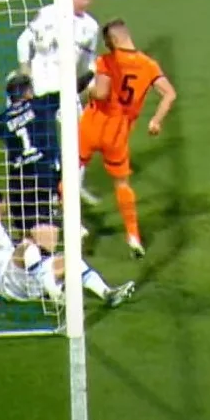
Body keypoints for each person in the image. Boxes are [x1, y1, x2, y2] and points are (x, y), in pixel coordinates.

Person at [80, 20, 176, 258]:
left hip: (92, 125)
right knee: (122, 184)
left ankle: (76, 226)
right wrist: (156, 121)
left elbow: (101, 92)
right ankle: (133, 235)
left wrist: (85, 89)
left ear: (112, 40)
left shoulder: (107, 61)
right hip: (118, 133)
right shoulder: (148, 65)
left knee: (68, 174)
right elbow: (170, 94)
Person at [0, 193, 133, 309]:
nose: (6, 204)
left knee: (72, 261)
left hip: (19, 275)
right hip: (7, 283)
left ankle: (107, 293)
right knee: (27, 246)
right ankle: (54, 291)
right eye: (3, 201)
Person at [17, 0, 102, 202]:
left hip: (67, 91)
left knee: (82, 141)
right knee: (47, 146)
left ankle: (70, 191)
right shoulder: (47, 14)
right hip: (41, 90)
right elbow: (23, 41)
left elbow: (90, 61)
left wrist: (89, 84)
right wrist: (25, 75)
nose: (80, 1)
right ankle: (51, 193)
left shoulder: (91, 27)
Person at [0, 73, 61, 241]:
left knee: (25, 233)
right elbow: (73, 89)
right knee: (45, 227)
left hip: (18, 180)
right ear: (27, 92)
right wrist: (92, 72)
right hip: (41, 174)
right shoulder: (40, 105)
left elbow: (3, 137)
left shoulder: (1, 120)